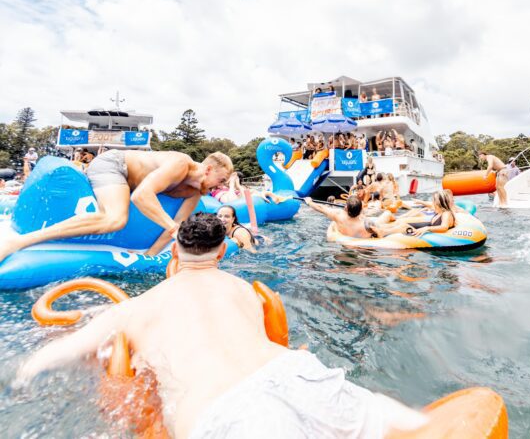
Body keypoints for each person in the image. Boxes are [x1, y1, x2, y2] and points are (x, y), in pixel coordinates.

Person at [15, 214, 428, 438]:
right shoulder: (246, 290)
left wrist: (22, 375)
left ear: (175, 250)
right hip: (298, 376)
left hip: (225, 411)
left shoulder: (138, 308)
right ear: (224, 249)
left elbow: (49, 359)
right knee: (414, 427)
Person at [0, 150, 233, 264]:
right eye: (221, 181)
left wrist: (149, 256)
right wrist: (173, 229)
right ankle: (20, 242)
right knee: (114, 219)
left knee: (116, 218)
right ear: (209, 169)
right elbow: (142, 196)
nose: (220, 187)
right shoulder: (181, 164)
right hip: (114, 164)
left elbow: (176, 226)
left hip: (124, 182)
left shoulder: (193, 193)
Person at [304, 195, 409, 239]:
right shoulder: (367, 224)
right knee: (386, 214)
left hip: (349, 243)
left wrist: (309, 202)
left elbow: (320, 208)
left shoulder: (338, 216)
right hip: (366, 240)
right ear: (360, 210)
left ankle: (392, 219)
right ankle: (395, 219)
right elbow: (380, 233)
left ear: (346, 208)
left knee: (386, 216)